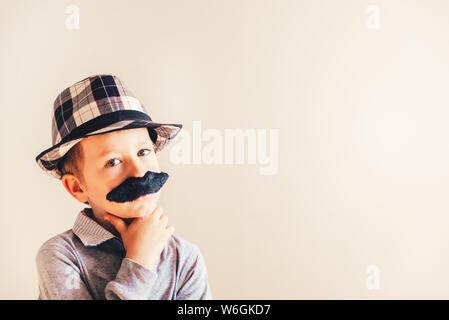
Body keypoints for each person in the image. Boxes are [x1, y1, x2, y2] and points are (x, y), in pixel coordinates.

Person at [34, 74, 213, 300]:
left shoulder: (185, 258)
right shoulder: (60, 256)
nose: (138, 172)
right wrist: (139, 261)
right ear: (77, 187)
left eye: (143, 152)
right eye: (113, 162)